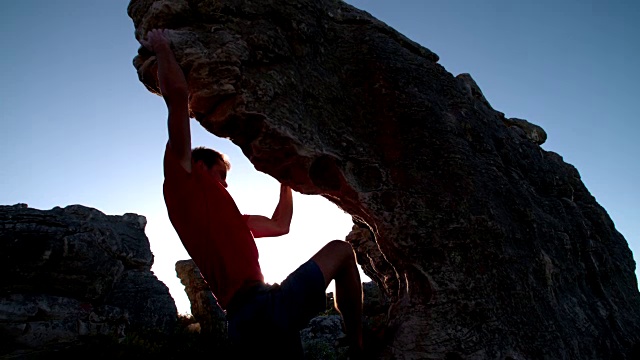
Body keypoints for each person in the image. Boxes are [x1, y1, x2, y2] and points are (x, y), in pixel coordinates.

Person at [139, 29, 364, 358]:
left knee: (341, 253)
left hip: (257, 314)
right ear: (200, 165)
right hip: (256, 310)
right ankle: (358, 345)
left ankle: (357, 344)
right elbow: (177, 98)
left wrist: (285, 182)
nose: (226, 184)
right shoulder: (182, 181)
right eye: (222, 174)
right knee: (342, 252)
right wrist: (161, 48)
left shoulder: (235, 221)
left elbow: (280, 225)